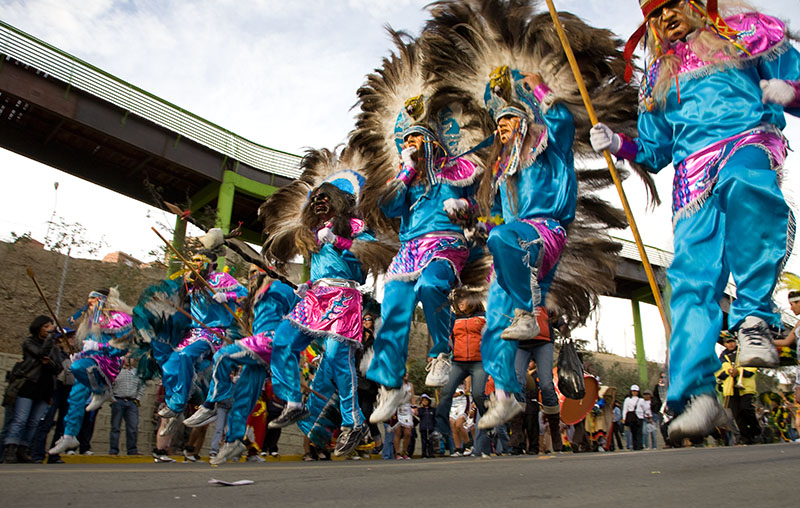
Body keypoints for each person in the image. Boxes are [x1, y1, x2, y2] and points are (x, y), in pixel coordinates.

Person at [590, 0, 800, 443]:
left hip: (747, 139)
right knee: (688, 279)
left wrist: (791, 92)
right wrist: (618, 144)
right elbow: (655, 150)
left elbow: (795, 76)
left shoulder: (745, 32)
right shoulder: (658, 75)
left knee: (746, 186)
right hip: (690, 175)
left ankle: (754, 319)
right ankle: (696, 395)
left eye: (673, 3)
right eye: (654, 11)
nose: (665, 16)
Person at [263, 155, 391, 459]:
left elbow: (376, 251)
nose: (320, 201)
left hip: (344, 299)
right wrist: (310, 284)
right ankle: (293, 401)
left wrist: (340, 241)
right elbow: (321, 266)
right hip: (313, 299)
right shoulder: (310, 234)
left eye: (326, 197)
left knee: (336, 357)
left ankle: (353, 422)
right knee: (282, 341)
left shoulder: (355, 226)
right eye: (316, 198)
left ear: (340, 201)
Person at [475, 68, 577, 431]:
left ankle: (527, 310)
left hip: (545, 231)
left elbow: (563, 120)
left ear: (525, 121)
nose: (501, 125)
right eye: (498, 121)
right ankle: (505, 398)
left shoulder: (549, 146)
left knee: (505, 239)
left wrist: (537, 85)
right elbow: (499, 218)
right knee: (494, 326)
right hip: (511, 246)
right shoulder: (505, 168)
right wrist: (475, 222)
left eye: (508, 118)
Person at [183, 269, 298, 465]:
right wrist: (227, 298)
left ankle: (211, 404)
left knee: (221, 356)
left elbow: (299, 309)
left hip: (269, 341)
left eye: (255, 271)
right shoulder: (257, 293)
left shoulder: (279, 287)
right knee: (244, 396)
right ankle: (234, 440)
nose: (251, 274)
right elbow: (244, 297)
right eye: (250, 271)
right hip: (259, 345)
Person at [153, 253, 247, 439]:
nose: (194, 264)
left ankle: (178, 403)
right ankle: (174, 409)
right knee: (169, 367)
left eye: (199, 261)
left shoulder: (221, 278)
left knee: (187, 355)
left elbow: (245, 295)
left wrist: (227, 295)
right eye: (193, 260)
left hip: (213, 332)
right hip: (193, 332)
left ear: (210, 264)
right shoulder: (192, 281)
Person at [50, 289, 133, 456]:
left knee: (77, 368)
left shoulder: (120, 319)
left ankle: (101, 391)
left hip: (108, 363)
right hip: (91, 362)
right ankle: (69, 435)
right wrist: (80, 354)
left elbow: (123, 347)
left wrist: (99, 347)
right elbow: (90, 346)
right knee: (75, 398)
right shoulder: (92, 321)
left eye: (93, 300)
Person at [434, 290, 489, 457]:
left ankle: (489, 423)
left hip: (479, 361)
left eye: (463, 300)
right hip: (458, 362)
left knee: (478, 395)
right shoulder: (454, 319)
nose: (460, 303)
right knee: (446, 392)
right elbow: (448, 340)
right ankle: (440, 430)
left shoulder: (484, 316)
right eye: (458, 301)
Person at [2, 316, 61, 463]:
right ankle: (10, 449)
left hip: (45, 388)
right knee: (20, 419)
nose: (49, 330)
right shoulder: (29, 342)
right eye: (46, 326)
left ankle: (23, 449)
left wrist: (49, 363)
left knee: (34, 421)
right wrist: (50, 341)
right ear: (39, 328)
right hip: (28, 386)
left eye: (51, 327)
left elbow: (57, 367)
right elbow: (40, 353)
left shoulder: (54, 348)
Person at [29, 327, 75, 464]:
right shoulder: (55, 352)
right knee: (46, 421)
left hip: (68, 390)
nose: (73, 339)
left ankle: (54, 454)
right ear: (61, 339)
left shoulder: (71, 355)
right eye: (70, 336)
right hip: (56, 388)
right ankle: (37, 453)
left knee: (63, 423)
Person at [716, 331, 760, 444]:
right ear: (724, 344)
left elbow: (752, 368)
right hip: (730, 389)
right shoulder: (722, 357)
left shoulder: (743, 352)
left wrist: (738, 372)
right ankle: (746, 437)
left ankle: (756, 431)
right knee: (737, 414)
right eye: (727, 342)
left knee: (746, 408)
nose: (730, 344)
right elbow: (718, 373)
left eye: (731, 341)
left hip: (745, 387)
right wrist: (728, 372)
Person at [109, 355, 145, 455]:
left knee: (133, 427)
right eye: (127, 357)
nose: (129, 360)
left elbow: (141, 386)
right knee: (115, 427)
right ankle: (113, 450)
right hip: (118, 401)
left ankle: (132, 450)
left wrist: (138, 399)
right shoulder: (116, 371)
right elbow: (110, 385)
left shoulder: (137, 372)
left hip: (132, 402)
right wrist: (112, 399)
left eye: (132, 357)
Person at [622, 385, 646, 451]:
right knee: (633, 432)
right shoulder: (628, 399)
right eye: (633, 391)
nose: (634, 392)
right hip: (632, 418)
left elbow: (645, 408)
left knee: (639, 432)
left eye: (636, 391)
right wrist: (624, 418)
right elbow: (625, 409)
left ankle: (639, 445)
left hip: (640, 417)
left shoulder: (641, 400)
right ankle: (635, 446)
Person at [417, 394, 436, 458]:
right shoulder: (420, 410)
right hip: (423, 427)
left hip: (431, 427)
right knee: (424, 441)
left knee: (430, 441)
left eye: (426, 400)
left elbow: (435, 417)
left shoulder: (432, 410)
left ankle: (431, 454)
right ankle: (424, 454)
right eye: (423, 400)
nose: (425, 402)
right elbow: (419, 415)